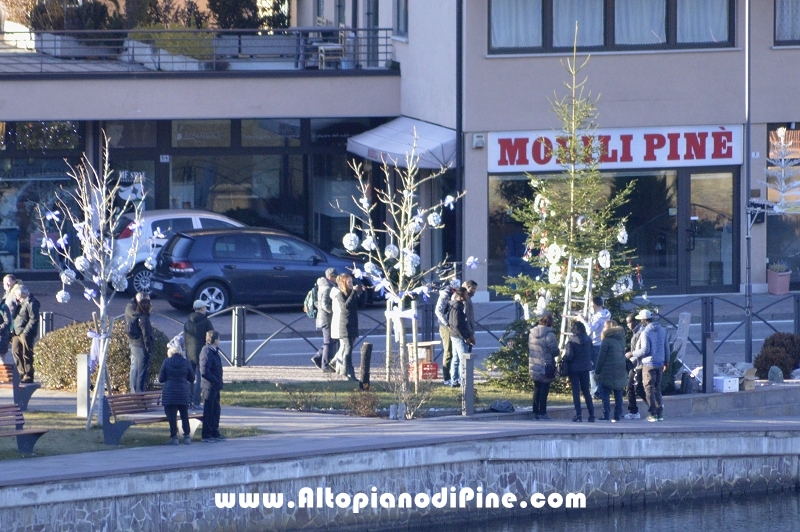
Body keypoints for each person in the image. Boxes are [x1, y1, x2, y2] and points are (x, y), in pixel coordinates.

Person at [631, 309, 670, 422]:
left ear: (644, 320)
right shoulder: (662, 330)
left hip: (648, 364)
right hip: (660, 363)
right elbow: (666, 347)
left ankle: (653, 413)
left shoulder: (645, 332)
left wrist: (632, 354)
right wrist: (666, 361)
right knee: (657, 388)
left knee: (648, 388)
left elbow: (645, 350)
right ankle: (659, 413)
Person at [158, 343, 195, 445]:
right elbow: (192, 378)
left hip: (170, 393)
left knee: (171, 416)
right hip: (183, 392)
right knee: (184, 414)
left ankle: (174, 437)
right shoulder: (186, 362)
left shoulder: (166, 362)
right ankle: (187, 436)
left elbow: (161, 379)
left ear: (170, 352)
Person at [594, 319, 628, 422]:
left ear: (608, 328)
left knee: (605, 393)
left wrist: (597, 372)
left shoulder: (606, 340)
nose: (603, 328)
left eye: (604, 327)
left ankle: (606, 414)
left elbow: (601, 358)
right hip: (620, 369)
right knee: (618, 392)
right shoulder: (621, 339)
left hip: (607, 371)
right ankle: (618, 414)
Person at [184, 299, 215, 409]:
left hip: (189, 352)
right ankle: (196, 402)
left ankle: (188, 401)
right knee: (200, 378)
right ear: (202, 309)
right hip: (202, 352)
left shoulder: (187, 322)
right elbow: (211, 337)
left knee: (189, 378)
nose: (205, 310)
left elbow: (185, 338)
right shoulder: (206, 322)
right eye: (205, 308)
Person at [563, 320, 595, 422]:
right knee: (586, 391)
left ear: (576, 330)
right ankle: (592, 415)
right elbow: (591, 353)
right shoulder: (589, 340)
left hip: (574, 369)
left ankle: (578, 415)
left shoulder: (571, 341)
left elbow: (569, 355)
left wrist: (563, 359)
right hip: (585, 368)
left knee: (576, 392)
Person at [579, 296, 610, 397]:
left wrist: (582, 320)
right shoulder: (606, 313)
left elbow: (590, 329)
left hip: (595, 344)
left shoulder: (598, 317)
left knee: (592, 369)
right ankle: (600, 390)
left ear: (594, 304)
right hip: (602, 342)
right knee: (600, 368)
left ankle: (595, 391)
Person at [528, 313, 558, 420]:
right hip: (546, 366)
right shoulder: (549, 335)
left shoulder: (531, 333)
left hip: (534, 364)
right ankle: (542, 412)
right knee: (544, 390)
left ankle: (535, 412)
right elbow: (555, 351)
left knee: (537, 388)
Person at [331, 272, 360, 381]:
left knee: (349, 347)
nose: (351, 284)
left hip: (353, 323)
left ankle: (343, 371)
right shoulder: (339, 294)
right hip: (345, 324)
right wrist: (353, 293)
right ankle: (350, 372)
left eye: (352, 282)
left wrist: (359, 293)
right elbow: (345, 307)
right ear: (343, 283)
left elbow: (358, 305)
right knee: (348, 348)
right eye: (349, 282)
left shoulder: (351, 293)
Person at [125, 292, 154, 393]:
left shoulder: (134, 310)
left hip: (134, 344)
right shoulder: (143, 318)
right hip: (140, 346)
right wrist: (149, 349)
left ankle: (135, 394)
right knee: (141, 373)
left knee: (136, 370)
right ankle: (138, 396)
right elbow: (146, 335)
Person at [311, 267, 338, 372]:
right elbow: (324, 304)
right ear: (331, 277)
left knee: (331, 340)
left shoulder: (323, 285)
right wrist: (334, 311)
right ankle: (325, 365)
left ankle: (318, 358)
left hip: (323, 318)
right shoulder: (327, 287)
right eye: (336, 277)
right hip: (327, 318)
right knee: (329, 342)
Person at [200, 330, 225, 442]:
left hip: (215, 386)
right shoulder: (207, 351)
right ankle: (206, 434)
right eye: (218, 338)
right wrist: (215, 380)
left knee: (215, 410)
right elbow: (204, 371)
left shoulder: (214, 351)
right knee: (209, 410)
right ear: (214, 340)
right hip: (209, 386)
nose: (219, 341)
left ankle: (214, 431)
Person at [448, 287, 475, 387]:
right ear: (460, 296)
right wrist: (465, 337)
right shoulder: (457, 307)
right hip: (458, 336)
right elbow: (457, 324)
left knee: (456, 358)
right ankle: (463, 380)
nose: (468, 296)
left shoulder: (455, 305)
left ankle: (454, 381)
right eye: (466, 295)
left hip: (455, 335)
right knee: (463, 358)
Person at [11, 284, 39, 383]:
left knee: (26, 353)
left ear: (20, 293)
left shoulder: (31, 302)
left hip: (25, 332)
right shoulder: (20, 303)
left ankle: (28, 375)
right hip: (16, 332)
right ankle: (21, 373)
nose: (15, 295)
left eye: (16, 293)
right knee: (16, 351)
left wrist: (26, 332)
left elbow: (34, 318)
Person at [435, 279, 459, 385]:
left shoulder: (455, 294)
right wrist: (447, 324)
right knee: (448, 351)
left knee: (455, 351)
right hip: (446, 326)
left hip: (453, 325)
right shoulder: (445, 295)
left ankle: (455, 376)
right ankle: (446, 377)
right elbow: (438, 311)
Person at [623, 312, 646, 420]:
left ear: (635, 322)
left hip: (638, 364)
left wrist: (631, 355)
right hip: (637, 364)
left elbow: (640, 350)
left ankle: (634, 411)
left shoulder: (639, 333)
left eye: (628, 322)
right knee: (635, 387)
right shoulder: (636, 332)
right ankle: (654, 405)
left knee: (632, 387)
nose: (627, 325)